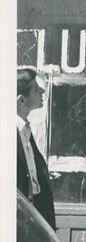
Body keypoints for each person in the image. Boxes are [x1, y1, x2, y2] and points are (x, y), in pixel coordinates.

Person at [17, 68, 56, 230]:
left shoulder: (26, 131)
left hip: (34, 224)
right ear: (21, 100)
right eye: (35, 88)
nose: (42, 91)